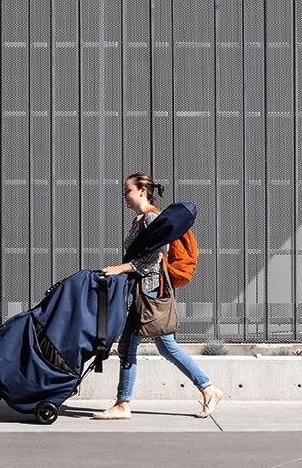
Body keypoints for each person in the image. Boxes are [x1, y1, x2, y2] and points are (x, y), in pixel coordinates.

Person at [91, 171, 224, 421]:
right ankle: (208, 389)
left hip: (150, 291)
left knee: (134, 346)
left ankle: (123, 404)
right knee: (164, 347)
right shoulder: (140, 220)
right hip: (146, 290)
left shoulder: (152, 218)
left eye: (127, 191)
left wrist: (120, 268)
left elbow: (153, 260)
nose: (124, 196)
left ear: (142, 190)